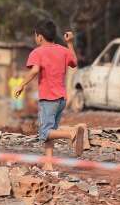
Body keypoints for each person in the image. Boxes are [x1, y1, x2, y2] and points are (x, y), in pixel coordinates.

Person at [14, 19, 85, 170]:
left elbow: (34, 70)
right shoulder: (63, 50)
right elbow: (74, 62)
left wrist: (21, 84)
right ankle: (48, 163)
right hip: (61, 99)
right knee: (51, 131)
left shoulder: (37, 52)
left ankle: (71, 133)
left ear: (39, 37)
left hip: (48, 99)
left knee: (45, 133)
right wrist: (70, 43)